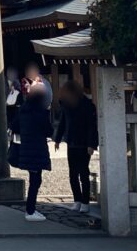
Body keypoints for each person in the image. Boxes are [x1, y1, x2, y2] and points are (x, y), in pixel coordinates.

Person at [54, 79, 98, 213]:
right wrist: (57, 138)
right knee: (72, 174)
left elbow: (92, 126)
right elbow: (62, 122)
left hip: (84, 143)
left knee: (83, 173)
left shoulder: (87, 105)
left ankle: (85, 201)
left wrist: (91, 144)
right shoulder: (66, 106)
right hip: (71, 142)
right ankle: (77, 200)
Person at [11, 81, 53, 221]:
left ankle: (31, 209)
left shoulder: (23, 109)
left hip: (26, 148)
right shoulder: (41, 111)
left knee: (34, 179)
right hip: (37, 148)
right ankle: (30, 210)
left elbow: (15, 126)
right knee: (35, 181)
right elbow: (48, 130)